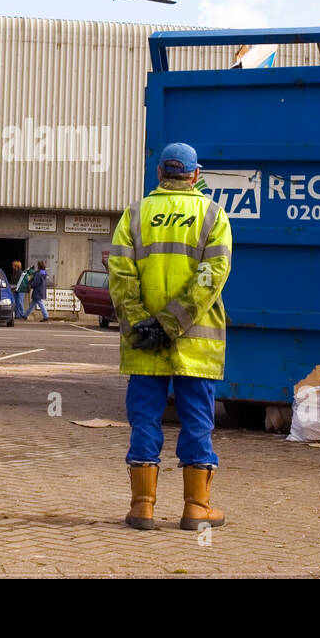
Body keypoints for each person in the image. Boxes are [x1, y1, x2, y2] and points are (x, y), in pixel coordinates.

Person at [107, 141, 232, 531]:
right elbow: (211, 278)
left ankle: (142, 507)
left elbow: (120, 278)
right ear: (196, 175)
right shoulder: (213, 215)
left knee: (144, 419)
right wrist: (172, 323)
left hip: (144, 343)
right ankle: (197, 509)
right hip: (196, 344)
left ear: (160, 173)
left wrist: (143, 324)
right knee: (197, 422)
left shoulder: (135, 215)